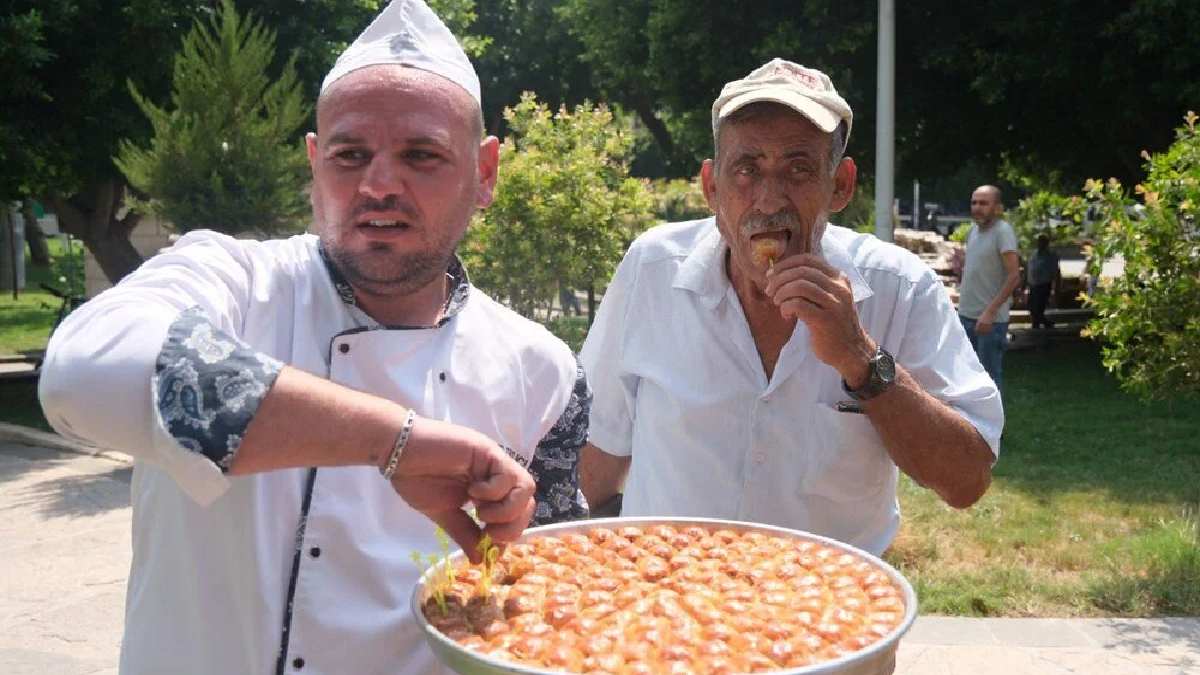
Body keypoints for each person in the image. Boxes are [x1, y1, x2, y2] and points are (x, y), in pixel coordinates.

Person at [37, 2, 588, 673]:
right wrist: (393, 442)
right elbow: (81, 372)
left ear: (486, 172)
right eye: (349, 154)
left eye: (421, 155)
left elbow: (553, 595)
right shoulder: (231, 282)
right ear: (313, 163)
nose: (379, 184)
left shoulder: (543, 370)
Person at [578, 59, 1001, 558]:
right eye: (746, 169)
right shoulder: (653, 269)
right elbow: (598, 449)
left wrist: (861, 360)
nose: (768, 199)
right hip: (671, 605)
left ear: (839, 185)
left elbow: (966, 480)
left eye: (799, 169)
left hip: (829, 614)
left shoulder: (899, 287)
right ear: (712, 188)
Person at [958, 185, 1021, 390]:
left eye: (984, 203)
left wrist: (989, 313)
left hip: (989, 321)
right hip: (966, 316)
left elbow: (1014, 276)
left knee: (989, 379)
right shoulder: (973, 231)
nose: (977, 207)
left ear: (998, 207)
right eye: (974, 202)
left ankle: (992, 422)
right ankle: (969, 422)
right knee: (965, 375)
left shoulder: (1002, 232)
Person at [1027, 233, 1060, 330]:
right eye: (1038, 241)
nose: (1039, 244)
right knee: (1031, 306)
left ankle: (1037, 325)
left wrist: (1055, 288)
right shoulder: (1034, 254)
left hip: (1044, 285)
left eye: (1042, 242)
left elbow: (1055, 271)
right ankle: (1044, 323)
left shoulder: (1051, 256)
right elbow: (1029, 268)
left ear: (1046, 243)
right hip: (1033, 284)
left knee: (1039, 307)